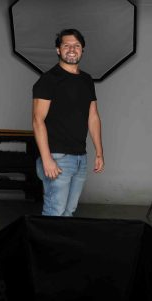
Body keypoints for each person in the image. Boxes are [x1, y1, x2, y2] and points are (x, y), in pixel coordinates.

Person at [32, 28, 104, 216]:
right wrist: (46, 159)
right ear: (58, 50)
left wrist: (99, 152)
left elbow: (93, 116)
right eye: (67, 45)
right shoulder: (48, 80)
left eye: (76, 46)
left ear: (82, 50)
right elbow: (38, 120)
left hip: (80, 157)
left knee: (68, 212)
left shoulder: (87, 80)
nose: (72, 49)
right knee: (54, 211)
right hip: (57, 157)